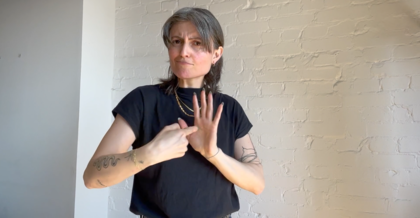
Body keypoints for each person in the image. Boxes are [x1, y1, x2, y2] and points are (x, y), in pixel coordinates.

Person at [83, 7, 265, 218]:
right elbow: (92, 177)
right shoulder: (143, 101)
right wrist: (149, 153)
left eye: (197, 43)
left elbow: (257, 184)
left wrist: (213, 154)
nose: (183, 51)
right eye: (176, 41)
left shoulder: (229, 108)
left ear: (216, 54)